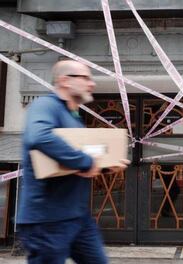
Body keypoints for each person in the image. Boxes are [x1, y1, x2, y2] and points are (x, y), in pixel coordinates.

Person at [17, 60, 130, 264]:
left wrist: (104, 167)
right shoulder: (45, 105)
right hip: (47, 219)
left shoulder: (74, 117)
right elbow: (39, 137)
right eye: (85, 78)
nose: (92, 84)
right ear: (65, 81)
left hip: (78, 217)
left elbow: (73, 163)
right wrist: (87, 163)